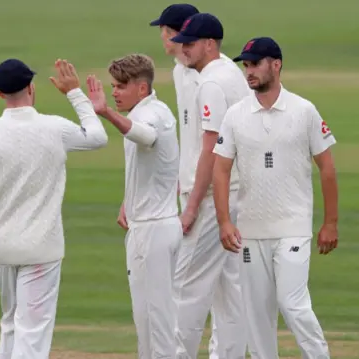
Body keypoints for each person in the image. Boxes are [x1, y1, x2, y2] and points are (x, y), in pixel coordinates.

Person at [0, 58, 108, 359]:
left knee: (10, 323)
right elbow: (98, 138)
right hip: (41, 249)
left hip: (2, 247)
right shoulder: (54, 128)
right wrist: (75, 93)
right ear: (32, 88)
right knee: (32, 332)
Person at [213, 36, 337, 359]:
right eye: (246, 65)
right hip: (250, 231)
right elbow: (221, 170)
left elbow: (327, 168)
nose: (249, 71)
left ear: (276, 64)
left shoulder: (303, 110)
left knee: (292, 302)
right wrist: (225, 220)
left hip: (293, 228)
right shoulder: (235, 115)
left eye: (255, 64)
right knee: (256, 314)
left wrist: (331, 223)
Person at [85, 53, 181, 358]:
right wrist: (129, 200)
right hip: (155, 225)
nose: (114, 92)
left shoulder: (150, 116)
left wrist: (106, 114)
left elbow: (145, 135)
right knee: (149, 320)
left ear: (141, 88)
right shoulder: (158, 108)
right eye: (113, 86)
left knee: (157, 323)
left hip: (152, 231)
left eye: (120, 86)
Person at [169, 12, 249, 359]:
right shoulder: (230, 73)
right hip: (235, 195)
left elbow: (210, 149)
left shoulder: (213, 83)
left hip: (213, 199)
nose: (182, 49)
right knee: (229, 290)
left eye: (189, 44)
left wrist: (192, 206)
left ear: (210, 44)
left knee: (184, 285)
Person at [149, 4, 222, 357]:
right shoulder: (180, 71)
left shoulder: (206, 76)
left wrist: (193, 201)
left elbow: (212, 141)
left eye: (163, 30)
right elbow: (188, 135)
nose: (161, 38)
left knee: (185, 283)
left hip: (207, 191)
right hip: (192, 185)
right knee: (224, 285)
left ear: (176, 33)